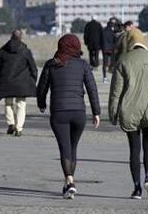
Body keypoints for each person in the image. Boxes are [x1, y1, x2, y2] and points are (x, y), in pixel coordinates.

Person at [108, 28, 148, 200]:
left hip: (130, 111)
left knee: (134, 150)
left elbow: (116, 92)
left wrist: (113, 113)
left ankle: (136, 189)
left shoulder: (123, 61)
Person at [37, 34, 100, 199]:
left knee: (64, 147)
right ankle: (68, 184)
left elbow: (41, 87)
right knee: (73, 148)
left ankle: (70, 181)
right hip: (79, 112)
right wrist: (96, 112)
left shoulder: (51, 64)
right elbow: (92, 89)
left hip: (59, 113)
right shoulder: (83, 65)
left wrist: (41, 103)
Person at [0, 30, 38, 136]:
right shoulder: (25, 51)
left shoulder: (2, 50)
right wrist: (32, 80)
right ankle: (19, 128)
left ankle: (11, 123)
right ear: (21, 38)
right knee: (21, 105)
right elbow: (33, 68)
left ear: (11, 37)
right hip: (22, 84)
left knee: (8, 103)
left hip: (6, 82)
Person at [101, 19, 116, 84]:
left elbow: (100, 40)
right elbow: (115, 40)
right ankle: (113, 77)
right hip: (111, 49)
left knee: (104, 63)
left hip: (104, 49)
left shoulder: (103, 31)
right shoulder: (113, 32)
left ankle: (105, 77)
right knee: (112, 63)